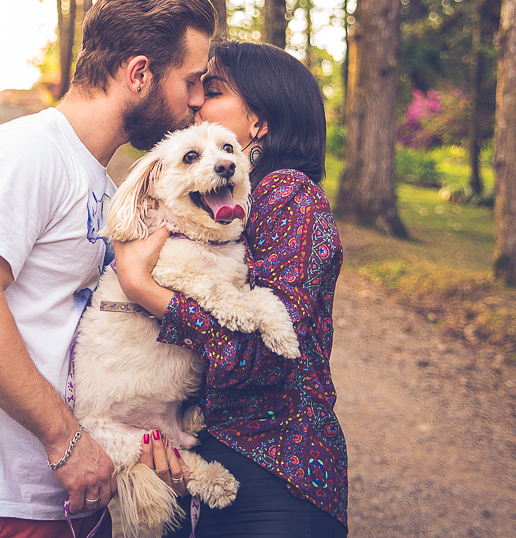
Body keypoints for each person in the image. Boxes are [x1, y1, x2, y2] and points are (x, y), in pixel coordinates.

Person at [0, 0, 217, 537]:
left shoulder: (104, 184)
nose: (197, 102)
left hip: (60, 495)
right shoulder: (24, 152)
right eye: (190, 80)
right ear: (139, 73)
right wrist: (66, 441)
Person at [115, 40, 348, 537]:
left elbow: (269, 358)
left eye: (213, 90)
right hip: (216, 458)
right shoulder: (227, 204)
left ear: (258, 123)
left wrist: (144, 290)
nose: (196, 101)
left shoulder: (289, 195)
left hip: (278, 470)